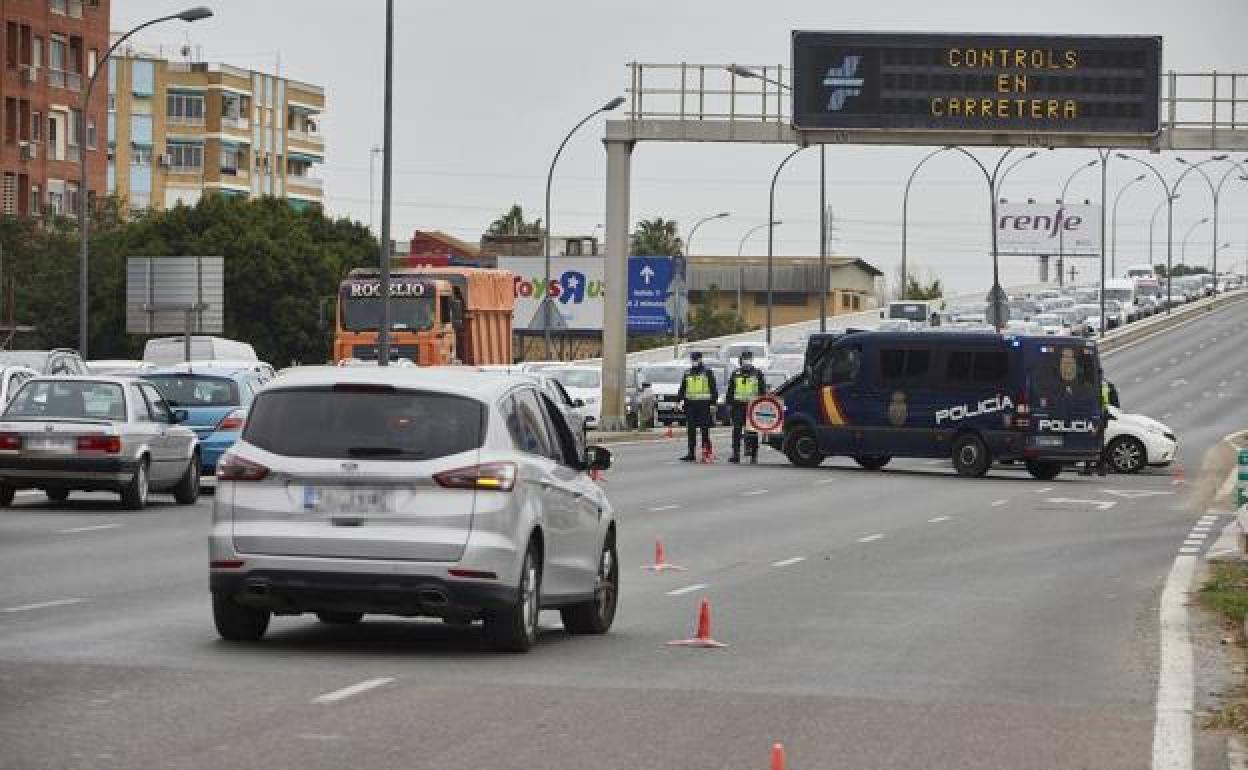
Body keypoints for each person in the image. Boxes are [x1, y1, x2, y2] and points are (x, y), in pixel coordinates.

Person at [726, 350, 767, 464]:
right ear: (741, 360)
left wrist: (762, 404)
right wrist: (729, 404)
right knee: (737, 430)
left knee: (752, 431)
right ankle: (736, 454)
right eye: (744, 359)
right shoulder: (735, 373)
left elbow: (762, 391)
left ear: (752, 360)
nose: (746, 361)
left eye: (748, 359)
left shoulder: (757, 373)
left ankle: (754, 455)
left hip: (752, 407)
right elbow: (730, 390)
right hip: (738, 406)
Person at [677, 351, 718, 462]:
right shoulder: (687, 373)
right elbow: (683, 388)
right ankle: (691, 453)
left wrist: (713, 403)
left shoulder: (707, 372)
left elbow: (713, 389)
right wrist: (679, 400)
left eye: (696, 359)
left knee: (704, 429)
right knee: (691, 430)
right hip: (690, 405)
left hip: (704, 405)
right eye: (693, 360)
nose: (694, 361)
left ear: (700, 359)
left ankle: (707, 452)